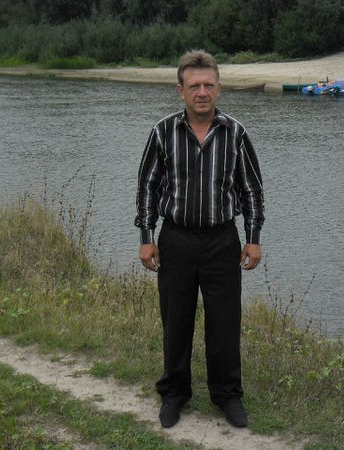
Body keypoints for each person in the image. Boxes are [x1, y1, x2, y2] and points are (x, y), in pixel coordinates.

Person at [134, 49, 265, 429]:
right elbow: (147, 187)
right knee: (176, 321)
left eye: (208, 85)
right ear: (181, 91)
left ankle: (227, 395)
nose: (202, 92)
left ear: (219, 88)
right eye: (194, 86)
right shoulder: (162, 132)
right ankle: (174, 393)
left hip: (222, 241)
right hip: (175, 239)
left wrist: (253, 238)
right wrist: (146, 237)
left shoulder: (236, 133)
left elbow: (252, 190)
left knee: (225, 323)